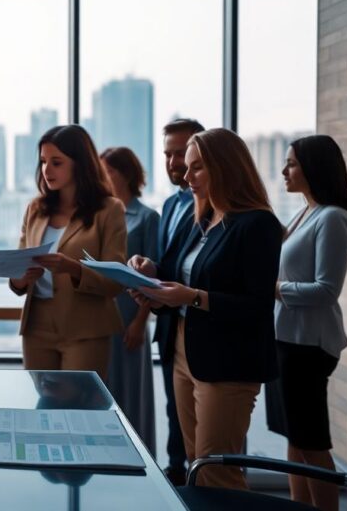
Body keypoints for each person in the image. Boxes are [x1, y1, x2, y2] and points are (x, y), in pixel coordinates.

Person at [129, 128, 281, 491]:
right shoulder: (204, 219)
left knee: (216, 469)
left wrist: (192, 297)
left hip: (227, 362)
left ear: (224, 167)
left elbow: (258, 305)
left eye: (197, 168)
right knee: (198, 463)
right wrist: (150, 274)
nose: (185, 175)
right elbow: (179, 274)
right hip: (185, 350)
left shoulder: (257, 224)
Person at [268, 135, 347, 511]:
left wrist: (274, 289)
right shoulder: (306, 211)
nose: (284, 170)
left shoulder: (334, 218)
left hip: (309, 344)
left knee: (312, 440)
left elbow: (326, 290)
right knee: (296, 436)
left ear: (313, 167)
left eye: (291, 163)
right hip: (288, 338)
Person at [9, 125, 126, 378]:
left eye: (56, 162)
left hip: (85, 327)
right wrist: (19, 279)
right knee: (41, 406)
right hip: (37, 325)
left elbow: (116, 281)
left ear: (80, 164)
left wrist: (73, 268)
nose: (46, 170)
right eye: (43, 162)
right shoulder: (35, 209)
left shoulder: (109, 210)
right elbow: (18, 266)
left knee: (78, 409)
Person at [153, 117, 205, 484]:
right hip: (172, 326)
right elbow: (172, 265)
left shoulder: (217, 208)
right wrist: (148, 269)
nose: (174, 164)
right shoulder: (170, 205)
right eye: (168, 155)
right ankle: (176, 482)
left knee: (209, 438)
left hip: (203, 328)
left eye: (180, 155)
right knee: (177, 417)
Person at [100, 146, 158, 456]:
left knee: (131, 395)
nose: (102, 178)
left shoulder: (147, 217)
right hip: (101, 317)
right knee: (104, 393)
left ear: (124, 174)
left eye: (107, 171)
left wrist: (140, 321)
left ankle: (139, 462)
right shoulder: (100, 215)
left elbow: (153, 277)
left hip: (130, 319)